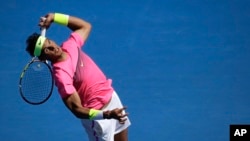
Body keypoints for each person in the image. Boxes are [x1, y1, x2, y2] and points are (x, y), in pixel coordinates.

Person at [25, 12, 131, 141]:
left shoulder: (70, 45)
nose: (53, 47)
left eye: (49, 42)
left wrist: (55, 17)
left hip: (112, 98)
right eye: (47, 49)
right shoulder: (62, 75)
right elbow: (77, 109)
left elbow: (85, 26)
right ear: (43, 59)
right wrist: (107, 115)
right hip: (99, 117)